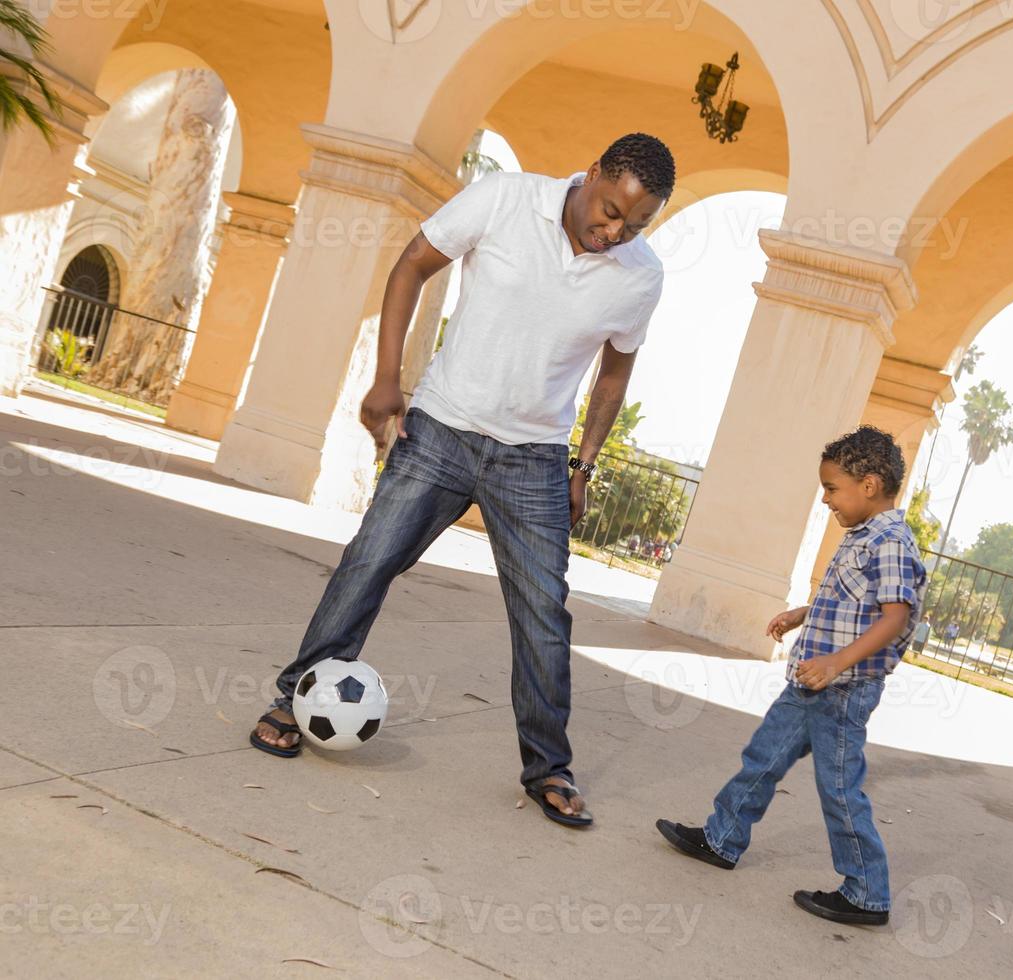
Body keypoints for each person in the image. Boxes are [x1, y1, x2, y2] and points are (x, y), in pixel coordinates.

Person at [249, 134, 676, 829]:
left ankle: (549, 767)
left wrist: (585, 462)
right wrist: (388, 378)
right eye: (608, 212)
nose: (613, 232)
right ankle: (294, 697)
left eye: (635, 225)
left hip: (534, 459)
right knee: (368, 563)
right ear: (592, 171)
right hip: (441, 431)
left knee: (543, 614)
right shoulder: (505, 198)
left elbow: (616, 369)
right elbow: (411, 266)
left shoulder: (641, 275)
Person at [655, 426, 927, 926]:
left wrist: (835, 662)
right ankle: (722, 839)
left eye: (831, 488)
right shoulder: (864, 536)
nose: (825, 500)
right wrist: (803, 613)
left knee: (841, 789)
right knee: (762, 758)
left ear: (868, 485)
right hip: (811, 682)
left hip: (842, 691)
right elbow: (851, 601)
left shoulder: (890, 541)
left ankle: (868, 891)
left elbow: (894, 617)